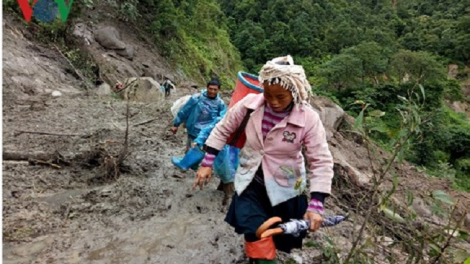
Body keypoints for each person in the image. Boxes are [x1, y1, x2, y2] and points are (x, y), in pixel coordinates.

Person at [194, 55, 334, 264]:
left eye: (281, 97)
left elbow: (320, 160)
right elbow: (223, 130)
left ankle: (259, 256)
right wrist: (207, 163)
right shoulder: (249, 105)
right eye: (268, 94)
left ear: (294, 93)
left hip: (284, 188)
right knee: (254, 230)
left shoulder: (308, 118)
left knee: (278, 236)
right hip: (251, 181)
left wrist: (316, 204)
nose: (273, 101)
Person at [171, 79, 226, 154]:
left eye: (215, 89)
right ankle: (187, 163)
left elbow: (222, 119)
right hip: (193, 130)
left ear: (219, 90)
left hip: (208, 133)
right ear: (207, 88)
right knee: (190, 151)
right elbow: (185, 111)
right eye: (210, 89)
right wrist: (176, 124)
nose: (212, 91)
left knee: (203, 153)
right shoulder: (196, 98)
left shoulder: (220, 104)